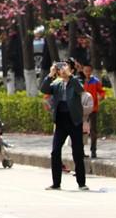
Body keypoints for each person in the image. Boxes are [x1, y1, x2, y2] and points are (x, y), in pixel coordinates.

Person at [41, 61, 87, 190]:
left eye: (65, 68)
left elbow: (80, 89)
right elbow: (44, 89)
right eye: (60, 68)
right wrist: (50, 74)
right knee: (55, 151)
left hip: (74, 120)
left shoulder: (75, 81)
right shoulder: (56, 84)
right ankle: (56, 183)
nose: (62, 70)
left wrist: (70, 76)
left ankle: (81, 183)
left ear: (71, 70)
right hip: (61, 120)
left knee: (77, 152)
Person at [82, 63, 106, 159]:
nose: (87, 73)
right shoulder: (80, 81)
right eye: (85, 71)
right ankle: (81, 151)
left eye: (89, 71)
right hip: (82, 110)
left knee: (93, 130)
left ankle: (93, 150)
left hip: (93, 109)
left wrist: (100, 97)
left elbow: (101, 91)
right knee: (82, 131)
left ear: (91, 71)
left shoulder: (95, 81)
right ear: (83, 71)